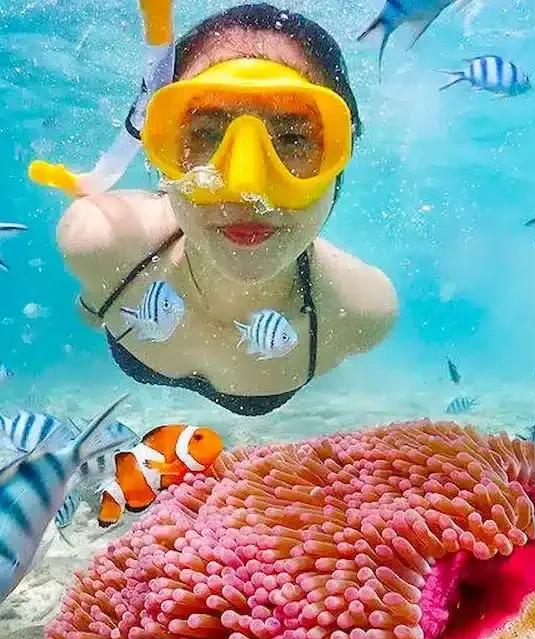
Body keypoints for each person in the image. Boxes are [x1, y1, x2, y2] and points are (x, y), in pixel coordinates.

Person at [53, 3, 398, 416]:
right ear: (161, 156)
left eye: (293, 139)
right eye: (206, 135)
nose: (246, 189)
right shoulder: (99, 241)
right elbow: (91, 311)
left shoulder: (362, 313)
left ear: (340, 159)